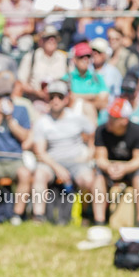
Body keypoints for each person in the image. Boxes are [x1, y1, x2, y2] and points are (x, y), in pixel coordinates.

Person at [31, 81, 95, 223]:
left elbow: (93, 136)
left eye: (59, 97)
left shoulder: (77, 118)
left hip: (76, 162)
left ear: (66, 99)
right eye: (52, 96)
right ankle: (38, 216)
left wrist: (89, 154)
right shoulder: (42, 122)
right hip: (52, 163)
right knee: (40, 175)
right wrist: (57, 168)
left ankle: (85, 214)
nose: (55, 100)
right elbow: (40, 152)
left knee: (89, 179)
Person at [0, 72, 33, 225]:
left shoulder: (22, 108)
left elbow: (24, 137)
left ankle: (17, 215)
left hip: (16, 158)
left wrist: (9, 118)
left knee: (25, 174)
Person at [93, 99, 139, 227]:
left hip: (131, 168)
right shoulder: (101, 131)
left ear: (124, 120)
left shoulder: (138, 131)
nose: (109, 120)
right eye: (109, 116)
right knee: (98, 178)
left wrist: (124, 168)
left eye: (113, 118)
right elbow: (100, 158)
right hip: (109, 167)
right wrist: (109, 167)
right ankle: (99, 221)